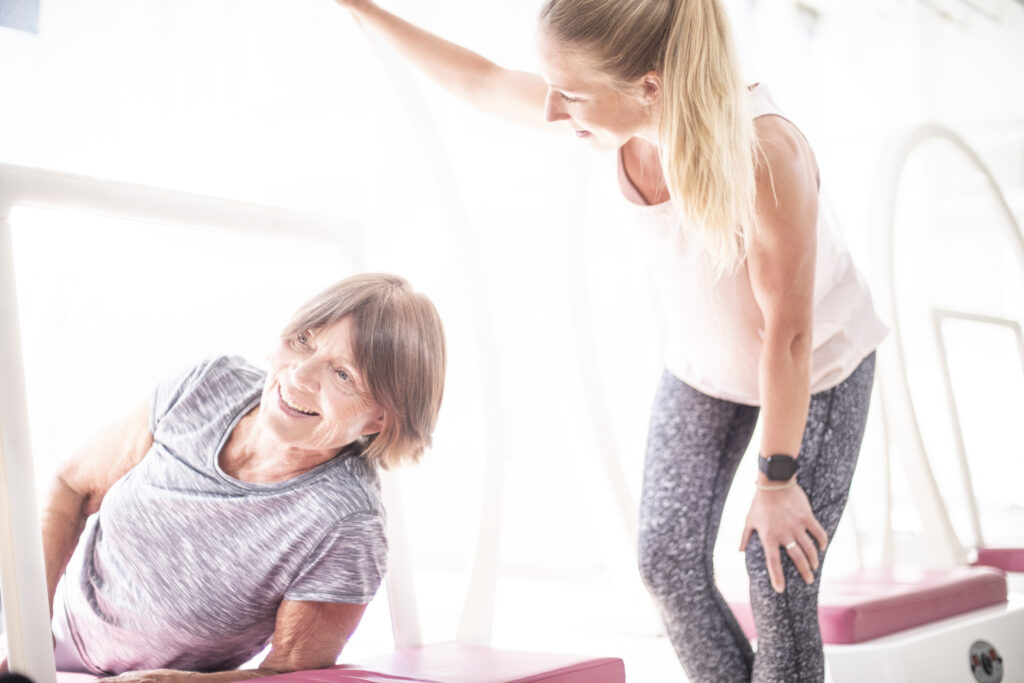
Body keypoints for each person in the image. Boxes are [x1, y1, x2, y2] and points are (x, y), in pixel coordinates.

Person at [331, 1, 887, 681]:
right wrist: (362, 10)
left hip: (815, 367)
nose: (556, 110)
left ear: (648, 85)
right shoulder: (616, 104)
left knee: (775, 571)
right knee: (666, 559)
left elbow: (790, 335)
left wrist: (777, 480)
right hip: (707, 365)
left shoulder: (764, 153)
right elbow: (479, 80)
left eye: (571, 95)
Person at [0, 273, 446, 682]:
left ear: (379, 420)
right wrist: (28, 638)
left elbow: (286, 676)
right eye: (305, 341)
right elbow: (70, 488)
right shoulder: (208, 386)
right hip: (45, 647)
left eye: (343, 374)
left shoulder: (347, 524)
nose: (299, 376)